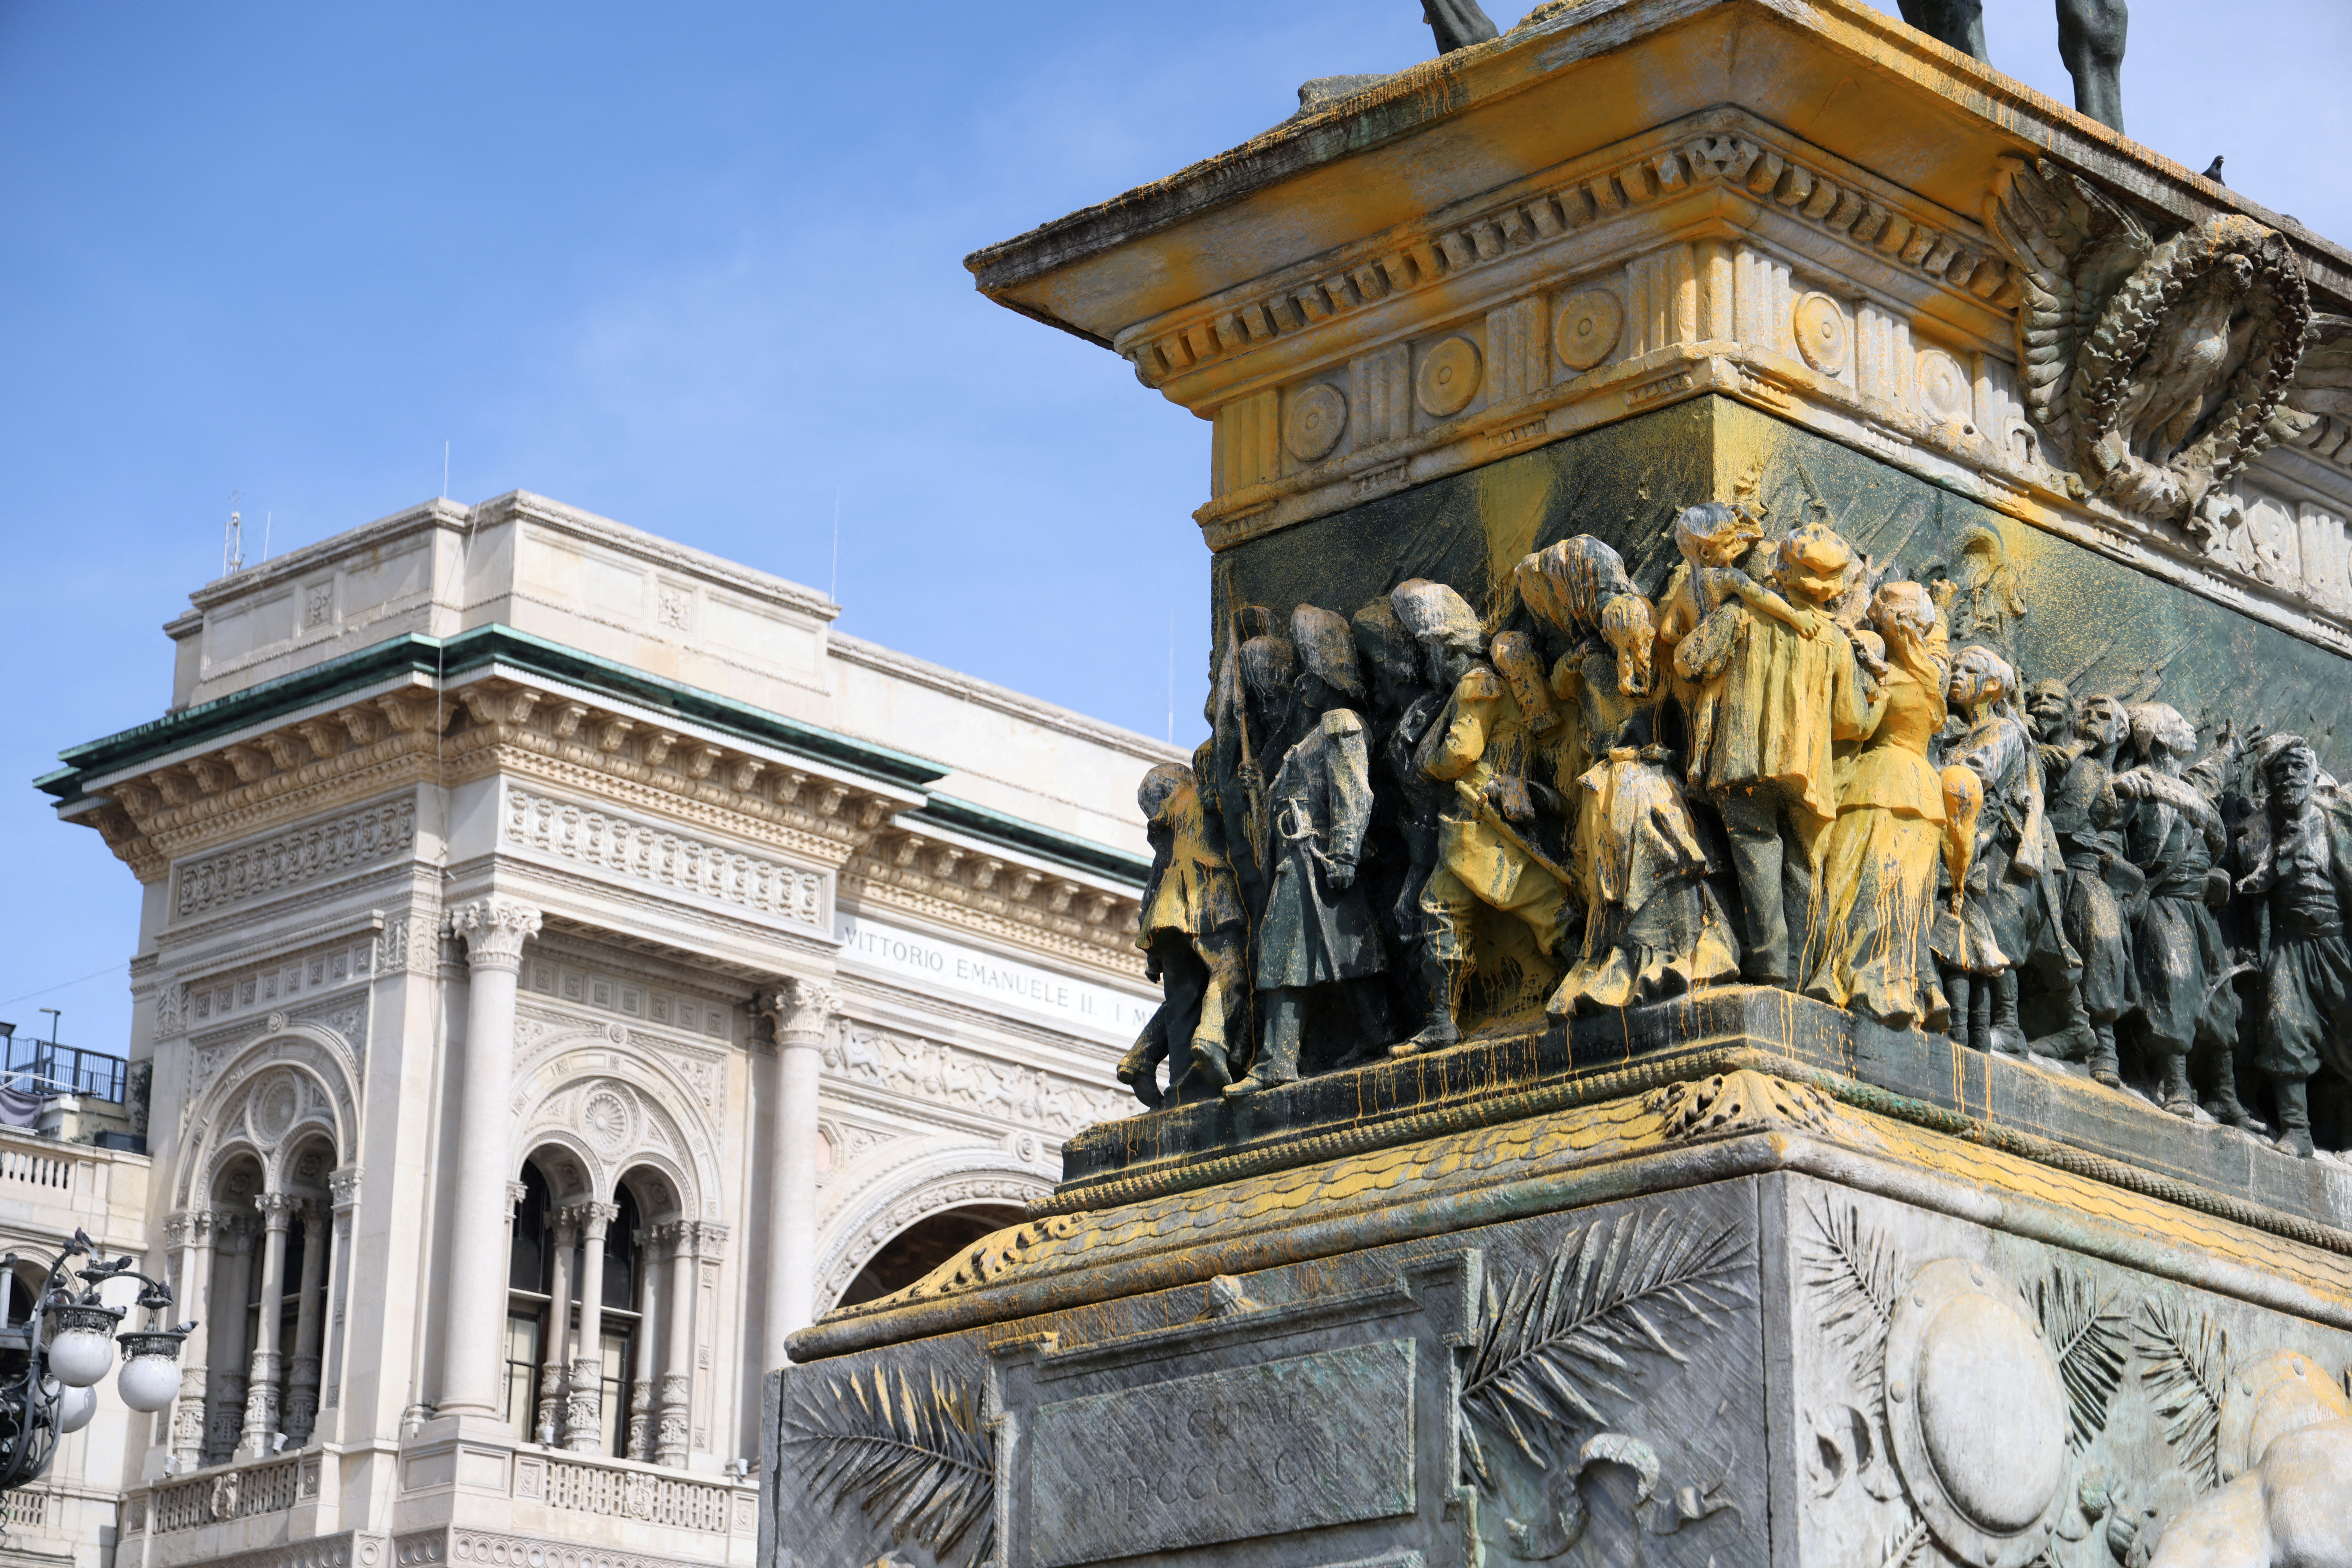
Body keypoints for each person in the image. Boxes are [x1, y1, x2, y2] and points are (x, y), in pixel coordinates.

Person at [1673, 519, 1871, 987]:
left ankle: (1769, 965)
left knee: (1758, 852)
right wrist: (1880, 701)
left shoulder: (1742, 612)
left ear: (1780, 569)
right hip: (1808, 773)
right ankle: (1800, 973)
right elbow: (1853, 722)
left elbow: (1689, 661)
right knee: (1803, 865)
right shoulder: (1836, 641)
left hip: (1744, 762)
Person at [1407, 583, 1579, 1048]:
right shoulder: (1488, 681)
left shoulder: (1475, 683)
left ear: (1446, 648)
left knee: (1539, 903)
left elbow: (1460, 753)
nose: (1429, 662)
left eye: (1430, 650)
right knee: (1452, 907)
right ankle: (1443, 1022)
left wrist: (1430, 761)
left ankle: (1585, 980)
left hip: (1482, 818)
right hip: (1484, 817)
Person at [1227, 607, 1387, 1096]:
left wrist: (1344, 855)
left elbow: (1353, 793)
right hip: (1298, 861)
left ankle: (1282, 1058)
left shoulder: (1340, 723)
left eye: (1307, 674)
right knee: (1330, 955)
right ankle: (1371, 1036)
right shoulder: (1309, 736)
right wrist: (1264, 787)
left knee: (1305, 955)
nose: (1299, 684)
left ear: (1323, 676)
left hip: (1317, 861)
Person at [1798, 582, 1954, 1029]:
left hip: (1879, 783)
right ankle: (1898, 987)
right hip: (1924, 792)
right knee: (1904, 896)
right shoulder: (1931, 681)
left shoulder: (1888, 678)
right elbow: (1937, 651)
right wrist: (1940, 610)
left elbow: (1854, 726)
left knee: (1858, 880)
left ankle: (1843, 977)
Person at [1943, 646, 2086, 1064]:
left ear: (1990, 686)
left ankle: (2009, 1025)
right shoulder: (1962, 729)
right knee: (1975, 926)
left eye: (1967, 670)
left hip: (2005, 850)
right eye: (1954, 667)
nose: (1955, 675)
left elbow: (1977, 774)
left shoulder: (2003, 732)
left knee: (1997, 927)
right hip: (1973, 841)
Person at [2114, 706, 2248, 1121]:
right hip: (2164, 904)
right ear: (2158, 737)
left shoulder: (2190, 786)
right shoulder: (2141, 785)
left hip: (2199, 908)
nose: (2190, 729)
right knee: (2172, 984)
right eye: (2178, 724)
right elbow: (2109, 824)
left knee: (2221, 993)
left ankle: (2224, 1092)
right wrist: (2116, 788)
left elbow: (2212, 773)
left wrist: (2231, 750)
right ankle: (2176, 1084)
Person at [2233, 734, 2352, 1157]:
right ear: (2266, 777)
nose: (2288, 776)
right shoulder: (2254, 829)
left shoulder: (2338, 820)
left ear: (2313, 773)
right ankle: (2296, 1129)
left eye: (2297, 767)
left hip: (2336, 943)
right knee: (2284, 1024)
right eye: (2278, 769)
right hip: (2287, 941)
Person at [1118, 755, 1248, 1107]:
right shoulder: (1206, 796)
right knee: (1230, 970)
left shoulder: (1163, 824)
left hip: (1165, 916)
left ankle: (1164, 1075)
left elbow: (1153, 884)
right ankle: (1210, 1039)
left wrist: (1151, 952)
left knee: (1183, 997)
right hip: (1210, 900)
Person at [2028, 682, 2137, 1078]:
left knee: (2103, 939)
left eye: (2104, 716)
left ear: (2122, 733)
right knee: (2040, 933)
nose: (2092, 719)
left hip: (2094, 875)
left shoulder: (2131, 785)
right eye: (2087, 713)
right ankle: (2072, 1026)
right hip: (2053, 861)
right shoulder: (2068, 760)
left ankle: (2105, 1046)